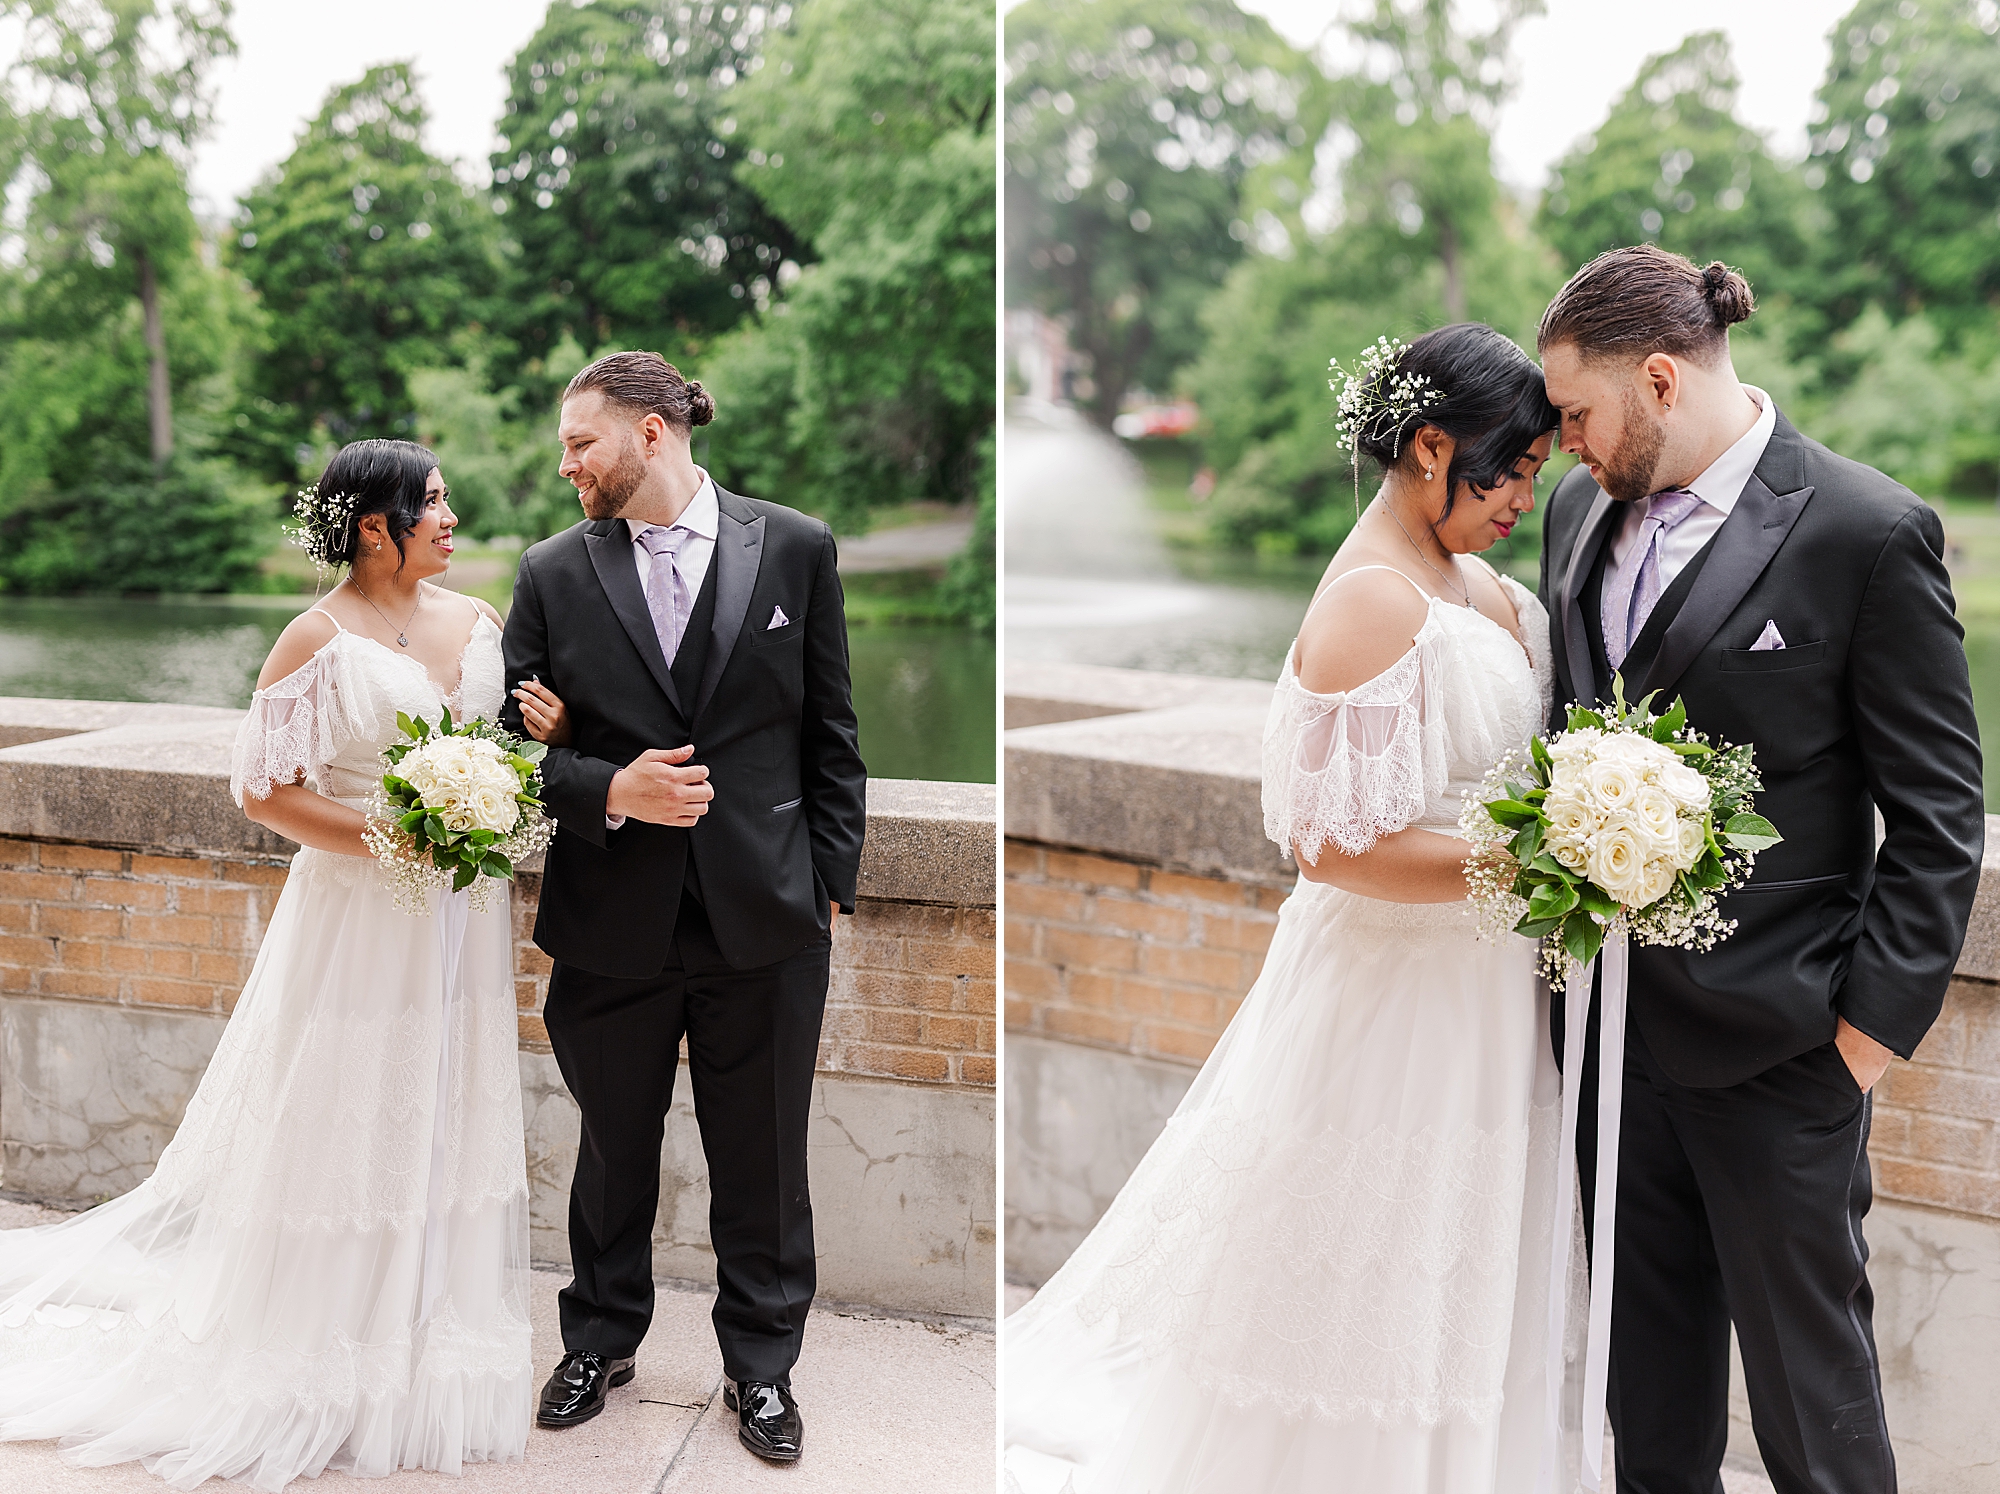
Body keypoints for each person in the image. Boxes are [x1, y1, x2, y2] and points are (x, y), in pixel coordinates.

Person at [1004, 323, 1566, 1493]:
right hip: (1392, 997)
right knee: (1364, 1263)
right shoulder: (1368, 601)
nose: (1524, 494)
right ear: (1429, 447)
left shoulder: (1474, 583)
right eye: (1510, 469)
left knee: (1452, 1263)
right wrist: (1532, 862)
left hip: (1484, 990)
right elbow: (1329, 843)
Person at [1535, 244, 1984, 1494]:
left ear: (1661, 380)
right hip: (1610, 1054)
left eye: (1576, 411)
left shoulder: (1864, 530)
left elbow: (1940, 818)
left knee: (1812, 1418)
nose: (1559, 441)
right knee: (1647, 1408)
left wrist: (1857, 1048)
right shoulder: (1578, 516)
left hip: (1785, 1062)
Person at [0, 440, 534, 1490]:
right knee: (347, 1111)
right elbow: (264, 792)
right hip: (359, 915)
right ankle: (327, 1349)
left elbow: (506, 738)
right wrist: (398, 836)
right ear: (376, 526)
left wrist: (521, 750)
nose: (453, 518)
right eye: (434, 504)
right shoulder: (313, 637)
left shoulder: (479, 625)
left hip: (461, 917)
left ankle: (432, 1341)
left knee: (447, 1107)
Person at [499, 352, 866, 1465]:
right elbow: (503, 757)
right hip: (610, 916)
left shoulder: (795, 547)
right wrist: (606, 783)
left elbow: (832, 738)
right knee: (612, 1149)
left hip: (766, 918)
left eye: (579, 443)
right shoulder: (552, 572)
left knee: (762, 1158)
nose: (565, 465)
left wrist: (827, 893)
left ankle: (760, 1369)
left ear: (650, 434)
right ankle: (598, 1339)